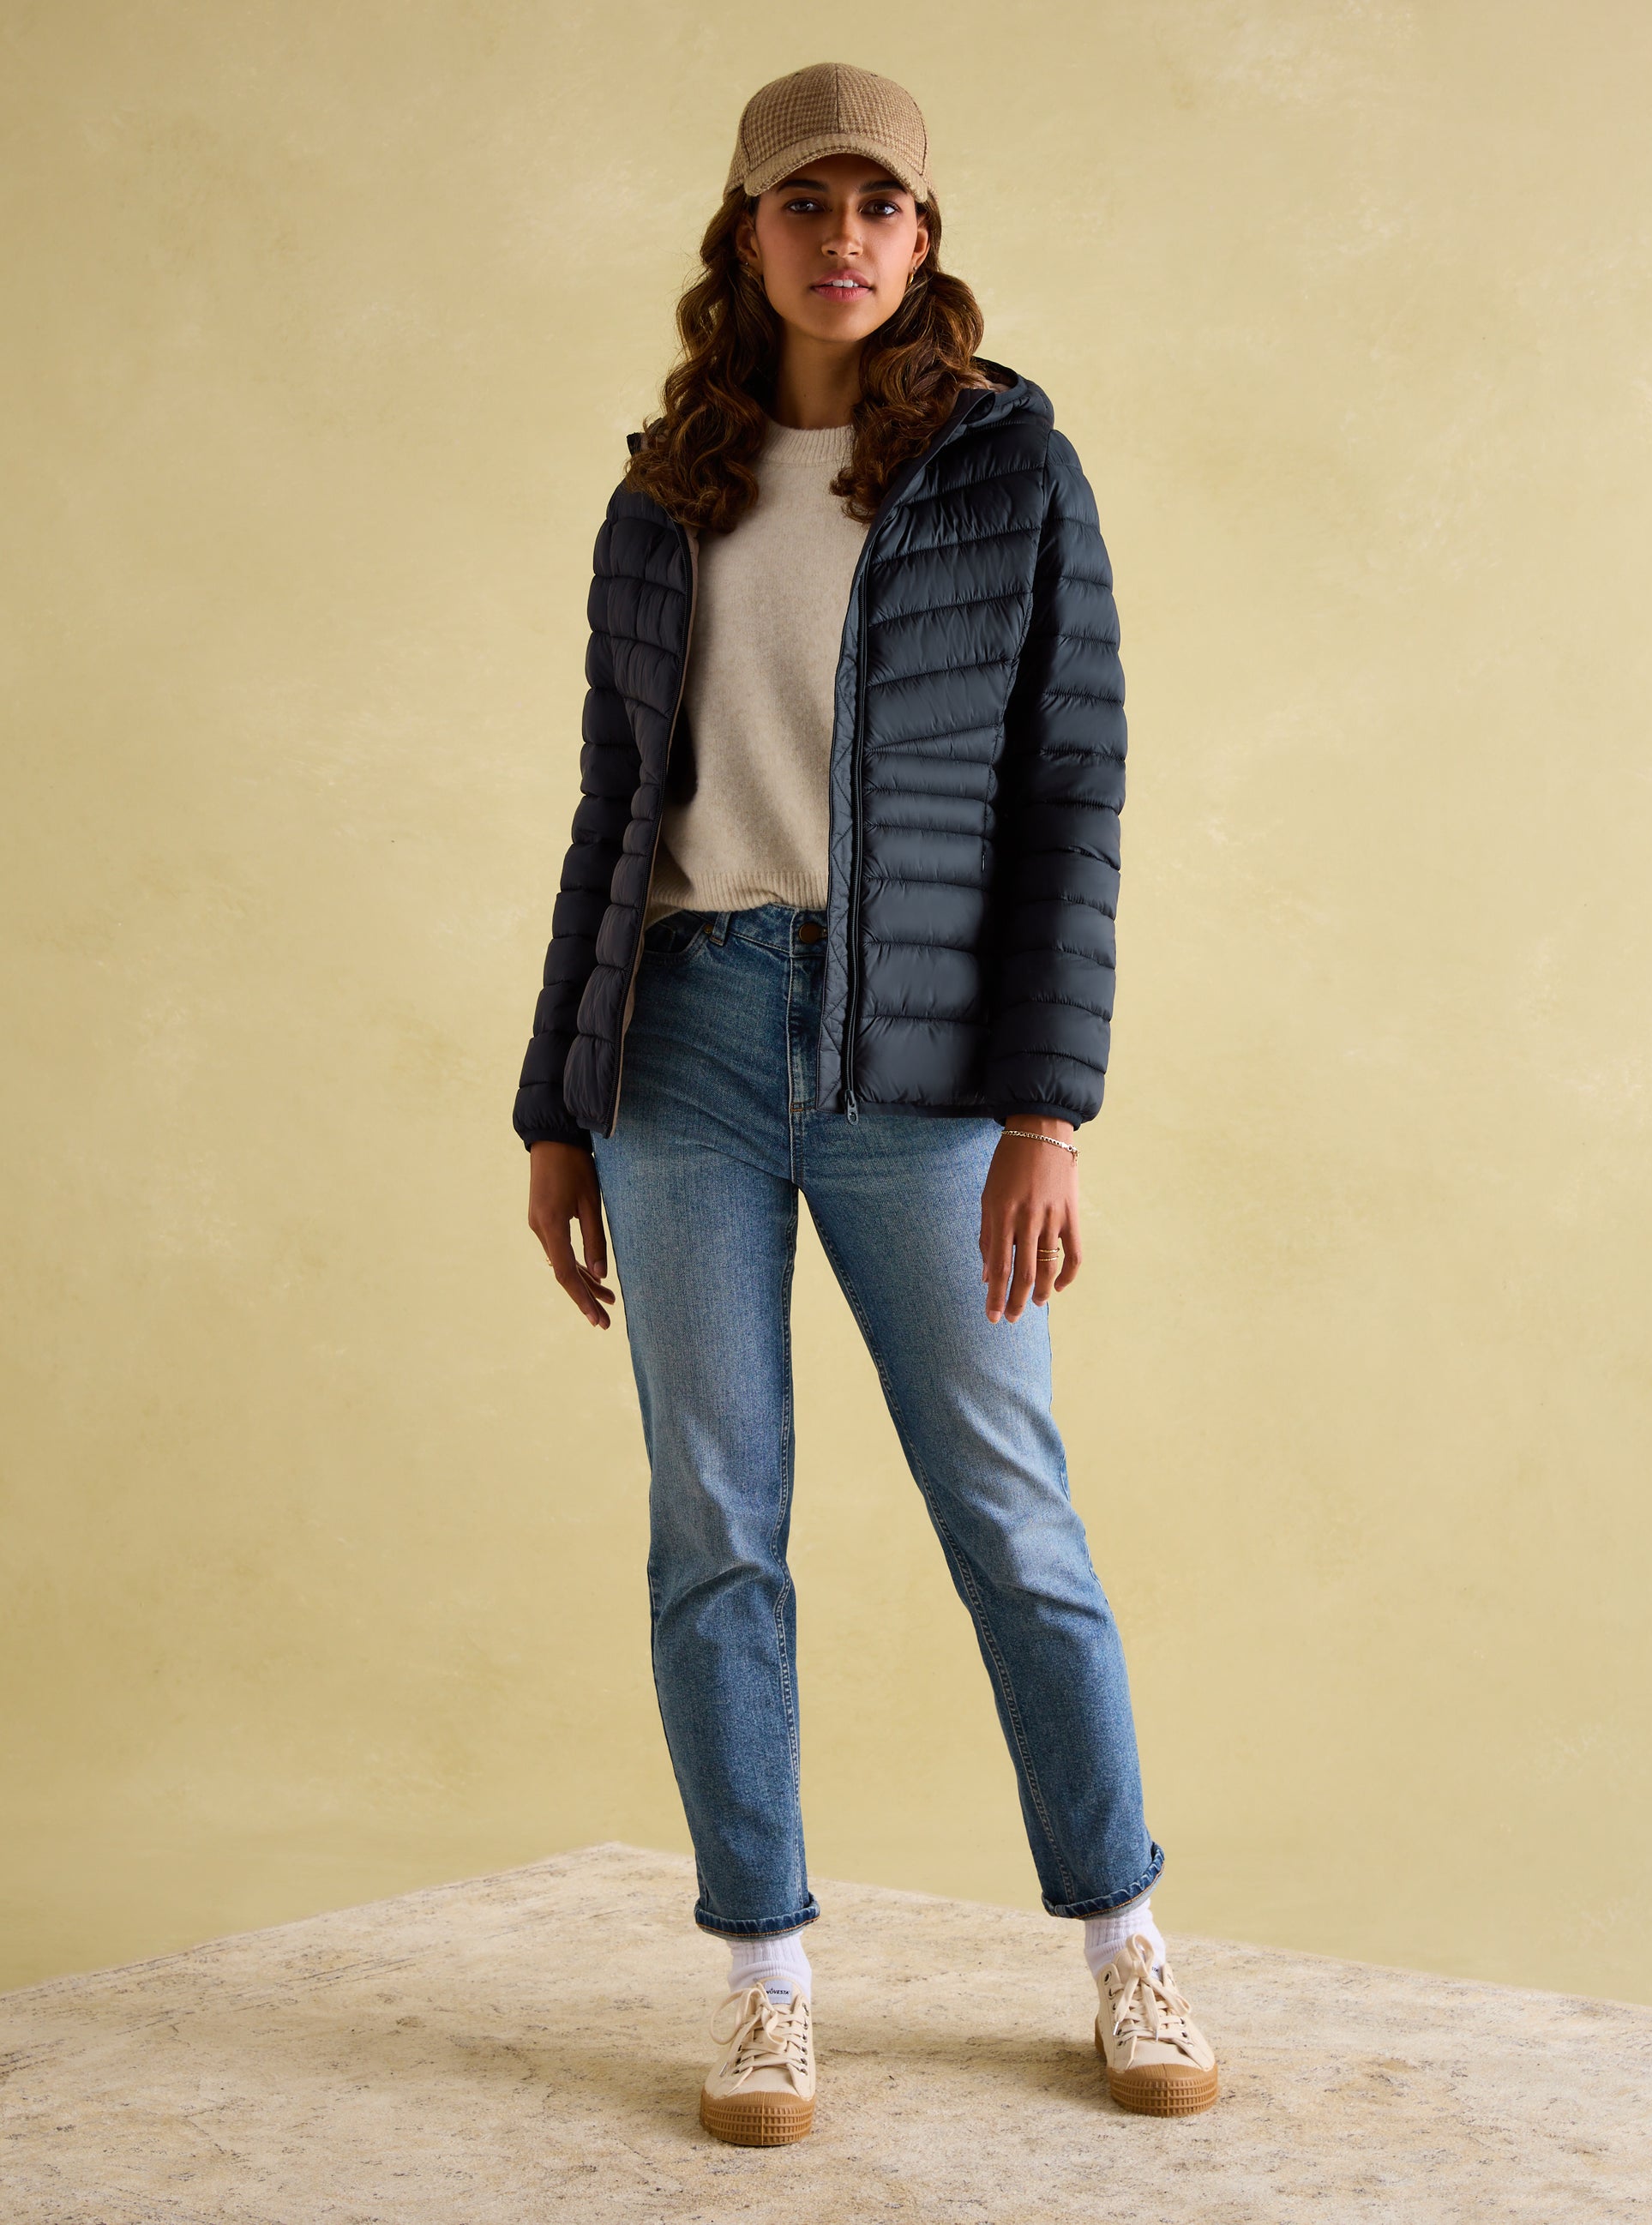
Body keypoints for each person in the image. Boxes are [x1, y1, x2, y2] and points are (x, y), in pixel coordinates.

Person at [514, 61, 1218, 2143]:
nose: (845, 237)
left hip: (919, 1064)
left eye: (880, 204)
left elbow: (1073, 791)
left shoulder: (1007, 469)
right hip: (679, 1050)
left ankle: (1124, 1939)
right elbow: (609, 811)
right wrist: (555, 1106)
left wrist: (1046, 1109)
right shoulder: (665, 492)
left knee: (1010, 1515)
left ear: (924, 237)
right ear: (743, 233)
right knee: (714, 1528)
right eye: (804, 202)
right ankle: (763, 1976)